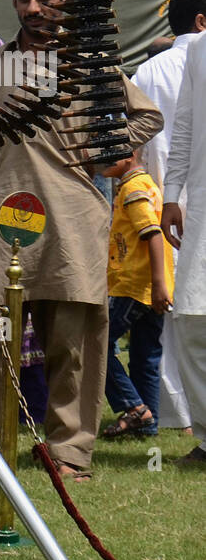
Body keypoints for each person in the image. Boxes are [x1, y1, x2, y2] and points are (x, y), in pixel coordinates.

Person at [0, 0, 162, 481]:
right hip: (4, 216)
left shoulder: (90, 63)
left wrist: (105, 150)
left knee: (75, 340)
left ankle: (69, 453)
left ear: (64, 1)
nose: (33, 7)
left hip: (74, 216)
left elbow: (147, 116)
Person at [131, 0, 206, 433]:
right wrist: (172, 195)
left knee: (172, 321)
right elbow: (179, 134)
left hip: (165, 204)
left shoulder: (150, 71)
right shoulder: (194, 58)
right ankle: (193, 427)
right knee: (186, 316)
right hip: (181, 207)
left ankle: (179, 416)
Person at [100, 148, 172, 437]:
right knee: (145, 355)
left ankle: (134, 408)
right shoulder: (143, 185)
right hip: (150, 286)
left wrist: (158, 285)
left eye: (108, 152)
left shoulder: (133, 187)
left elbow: (153, 233)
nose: (100, 157)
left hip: (135, 287)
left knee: (95, 342)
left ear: (129, 155)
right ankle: (148, 424)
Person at [163, 36, 206, 464]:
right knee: (193, 319)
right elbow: (185, 123)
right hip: (203, 203)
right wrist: (171, 192)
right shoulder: (199, 49)